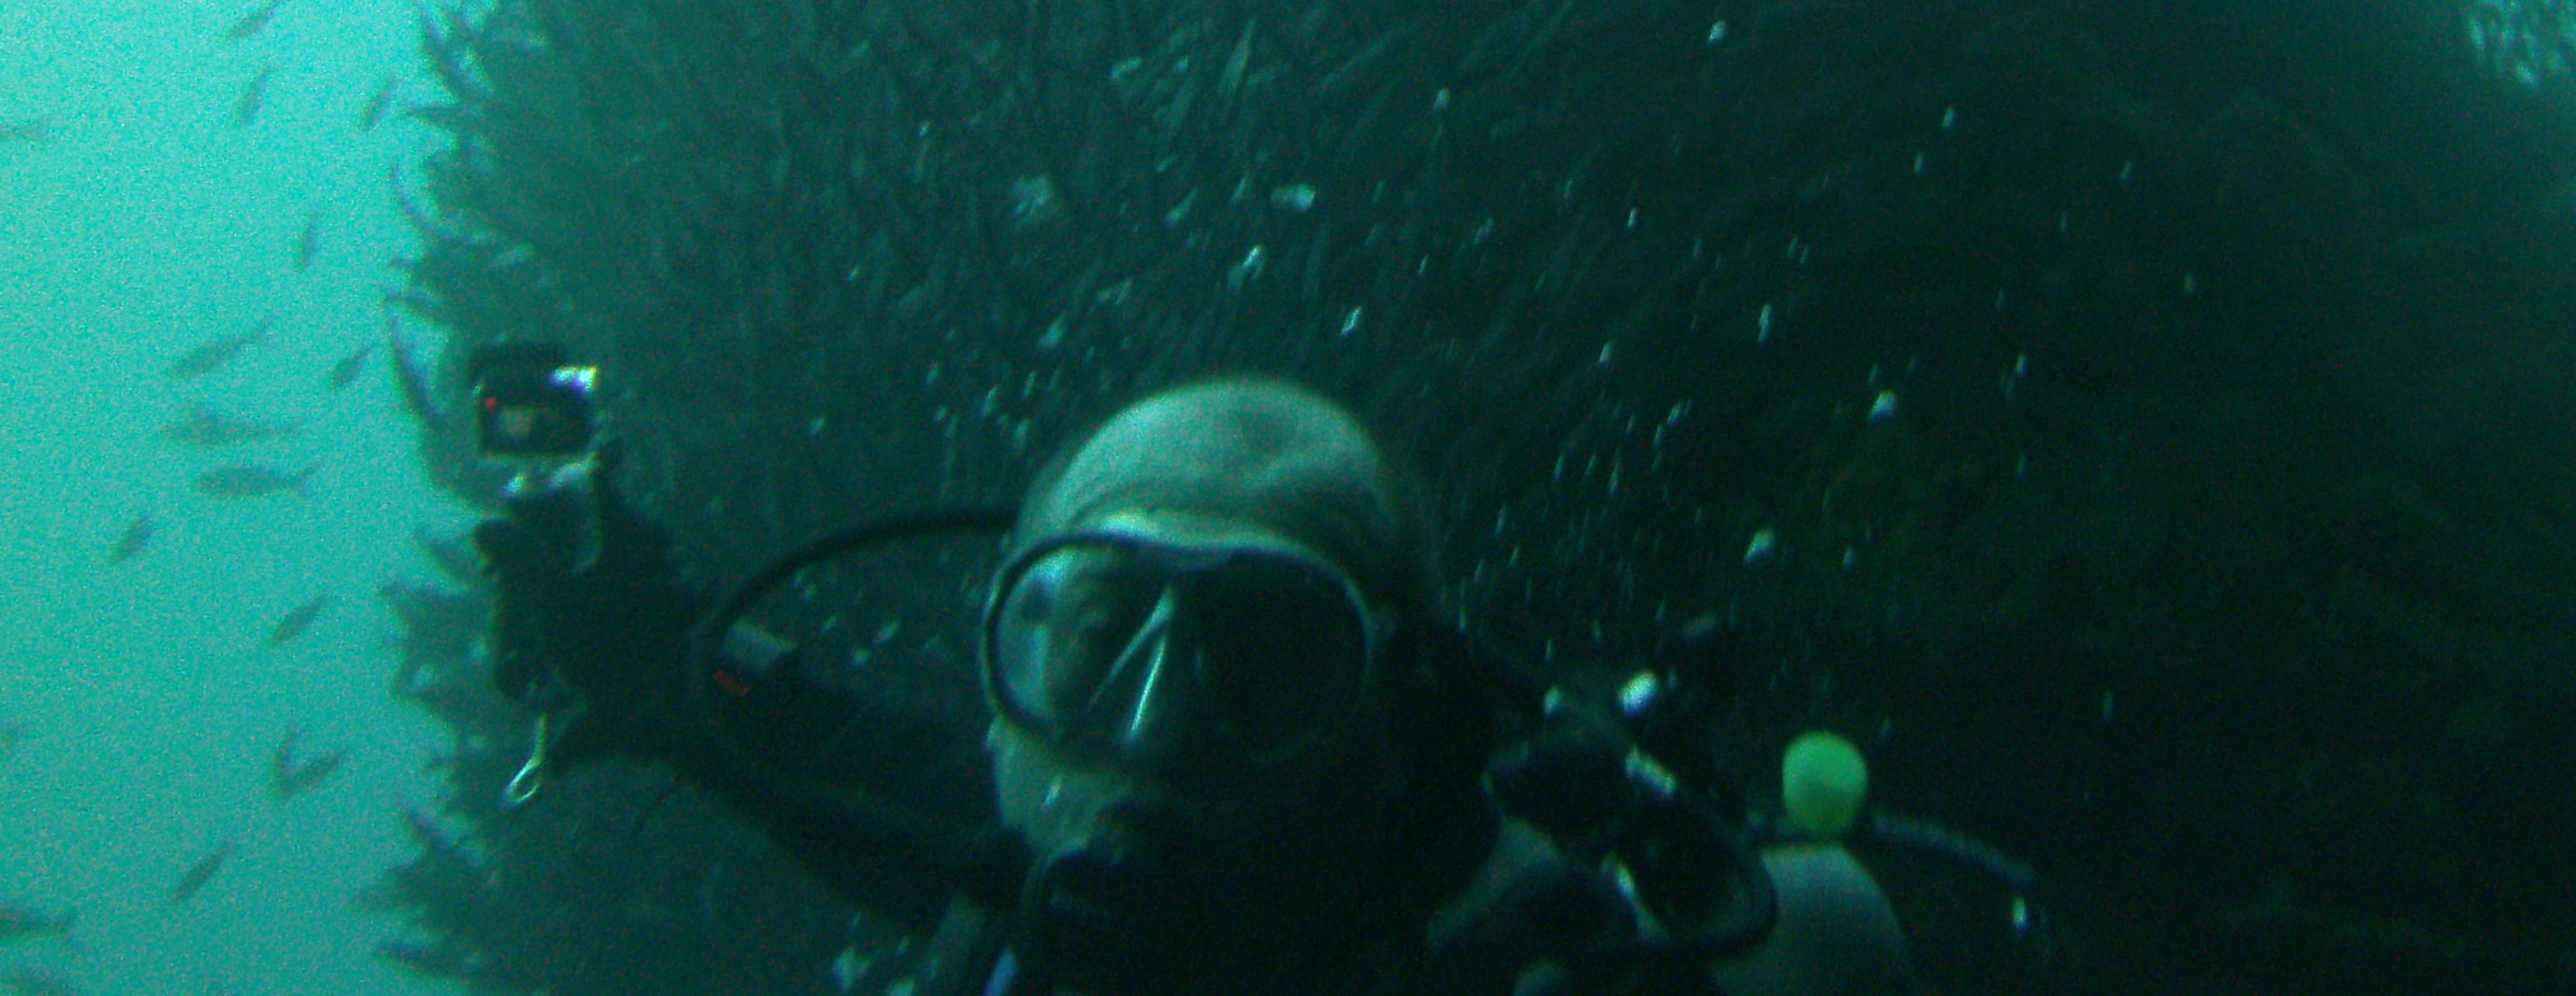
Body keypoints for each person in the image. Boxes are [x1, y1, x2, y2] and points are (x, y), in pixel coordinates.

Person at [476, 375, 1923, 996]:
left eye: (1272, 662)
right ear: (1015, 665)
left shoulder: (1552, 941)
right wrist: (658, 661)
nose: (1156, 743)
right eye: (1101, 638)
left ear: (1399, 723)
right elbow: (819, 745)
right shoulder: (1004, 837)